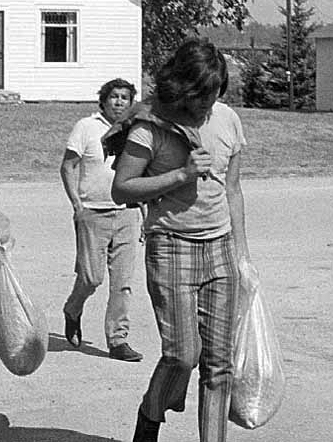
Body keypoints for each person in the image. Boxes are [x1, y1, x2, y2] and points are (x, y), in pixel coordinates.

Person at [109, 39, 251, 441]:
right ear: (183, 89)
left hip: (220, 246)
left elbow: (233, 189)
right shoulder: (149, 127)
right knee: (181, 355)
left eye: (215, 93)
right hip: (171, 245)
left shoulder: (228, 121)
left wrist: (242, 255)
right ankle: (149, 417)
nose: (209, 103)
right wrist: (180, 175)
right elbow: (122, 189)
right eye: (202, 94)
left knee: (219, 364)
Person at [60, 78, 145, 362]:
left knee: (122, 281)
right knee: (91, 278)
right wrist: (77, 204)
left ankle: (118, 339)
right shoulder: (86, 127)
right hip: (93, 212)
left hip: (127, 212)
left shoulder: (137, 131)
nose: (119, 102)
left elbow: (142, 175)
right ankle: (73, 309)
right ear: (103, 100)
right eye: (114, 97)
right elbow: (68, 166)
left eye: (125, 97)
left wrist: (144, 214)